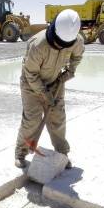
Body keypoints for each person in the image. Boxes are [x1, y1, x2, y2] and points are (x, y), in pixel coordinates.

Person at [14, 9, 84, 169]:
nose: (60, 46)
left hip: (55, 82)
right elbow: (30, 74)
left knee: (58, 118)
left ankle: (62, 154)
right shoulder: (37, 45)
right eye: (58, 43)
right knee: (32, 119)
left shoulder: (76, 40)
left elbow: (78, 55)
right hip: (31, 85)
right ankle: (20, 152)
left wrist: (70, 71)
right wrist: (43, 94)